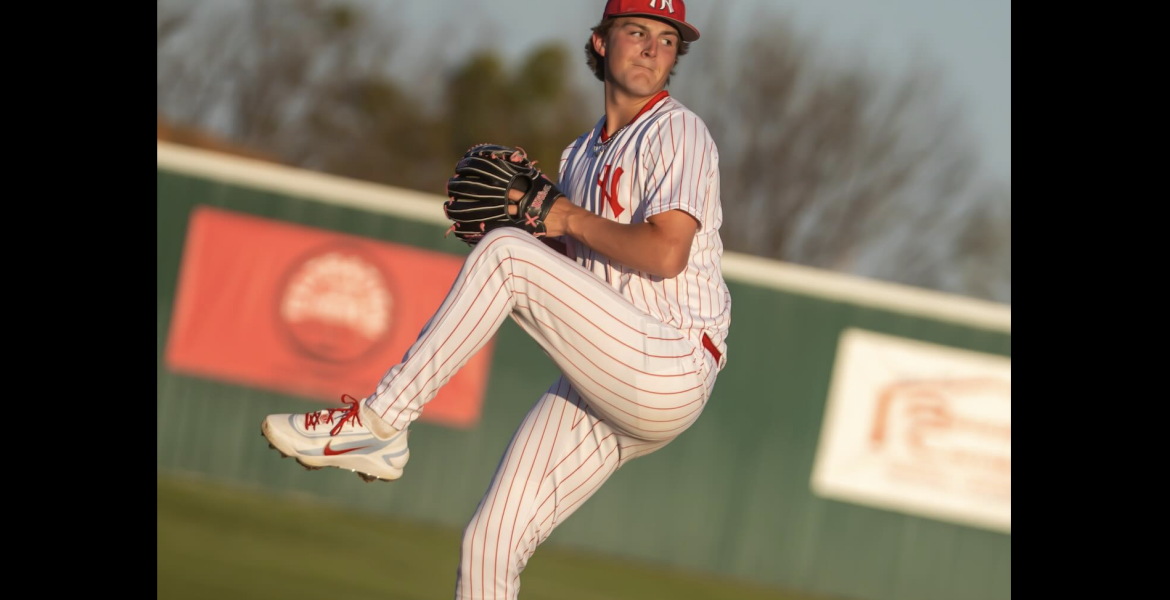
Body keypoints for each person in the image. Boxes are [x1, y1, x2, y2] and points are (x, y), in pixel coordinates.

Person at [261, 0, 729, 596]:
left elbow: (666, 253)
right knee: (491, 541)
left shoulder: (677, 130)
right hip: (609, 374)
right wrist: (539, 228)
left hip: (671, 359)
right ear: (600, 42)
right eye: (636, 30)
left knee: (507, 254)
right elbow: (578, 269)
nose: (651, 48)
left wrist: (556, 221)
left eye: (666, 39)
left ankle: (380, 423)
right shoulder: (579, 154)